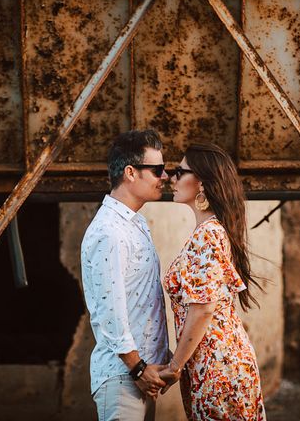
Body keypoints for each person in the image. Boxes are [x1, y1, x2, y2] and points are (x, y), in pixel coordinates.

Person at [159, 142, 266, 420]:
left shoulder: (208, 234)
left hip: (218, 366)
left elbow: (203, 308)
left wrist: (174, 366)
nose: (172, 178)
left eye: (180, 172)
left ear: (202, 184)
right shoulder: (211, 230)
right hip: (212, 362)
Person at [81, 129, 170, 421]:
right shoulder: (110, 231)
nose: (165, 177)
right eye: (157, 170)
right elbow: (110, 311)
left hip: (142, 375)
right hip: (124, 377)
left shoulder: (135, 223)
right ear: (130, 173)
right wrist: (138, 368)